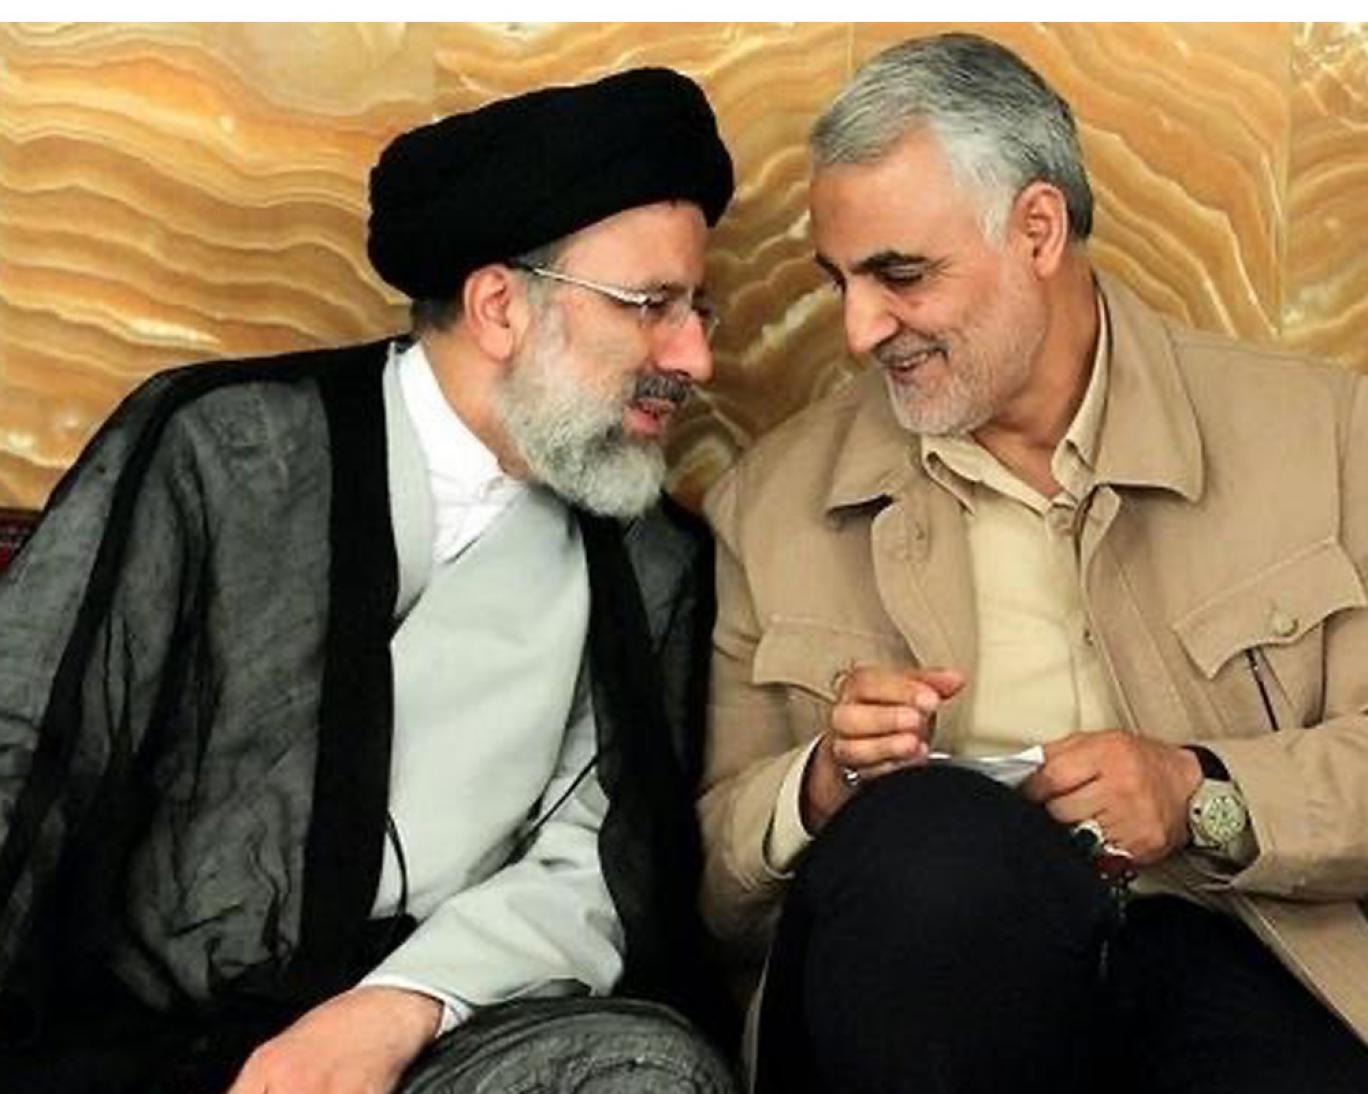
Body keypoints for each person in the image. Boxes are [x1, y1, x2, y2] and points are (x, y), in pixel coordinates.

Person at [0, 67, 740, 1094]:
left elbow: (596, 862)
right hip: (142, 1040)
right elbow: (33, 743)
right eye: (652, 305)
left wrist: (399, 1006)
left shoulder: (653, 560)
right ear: (499, 307)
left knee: (647, 1073)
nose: (695, 357)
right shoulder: (227, 450)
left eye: (698, 309)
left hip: (444, 1037)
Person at [699, 31, 1368, 1094]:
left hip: (1232, 949)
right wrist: (822, 782)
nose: (859, 329)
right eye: (838, 282)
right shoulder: (771, 501)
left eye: (900, 275)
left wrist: (1201, 792)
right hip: (926, 980)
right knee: (930, 843)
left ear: (1038, 229)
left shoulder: (1322, 433)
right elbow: (710, 882)